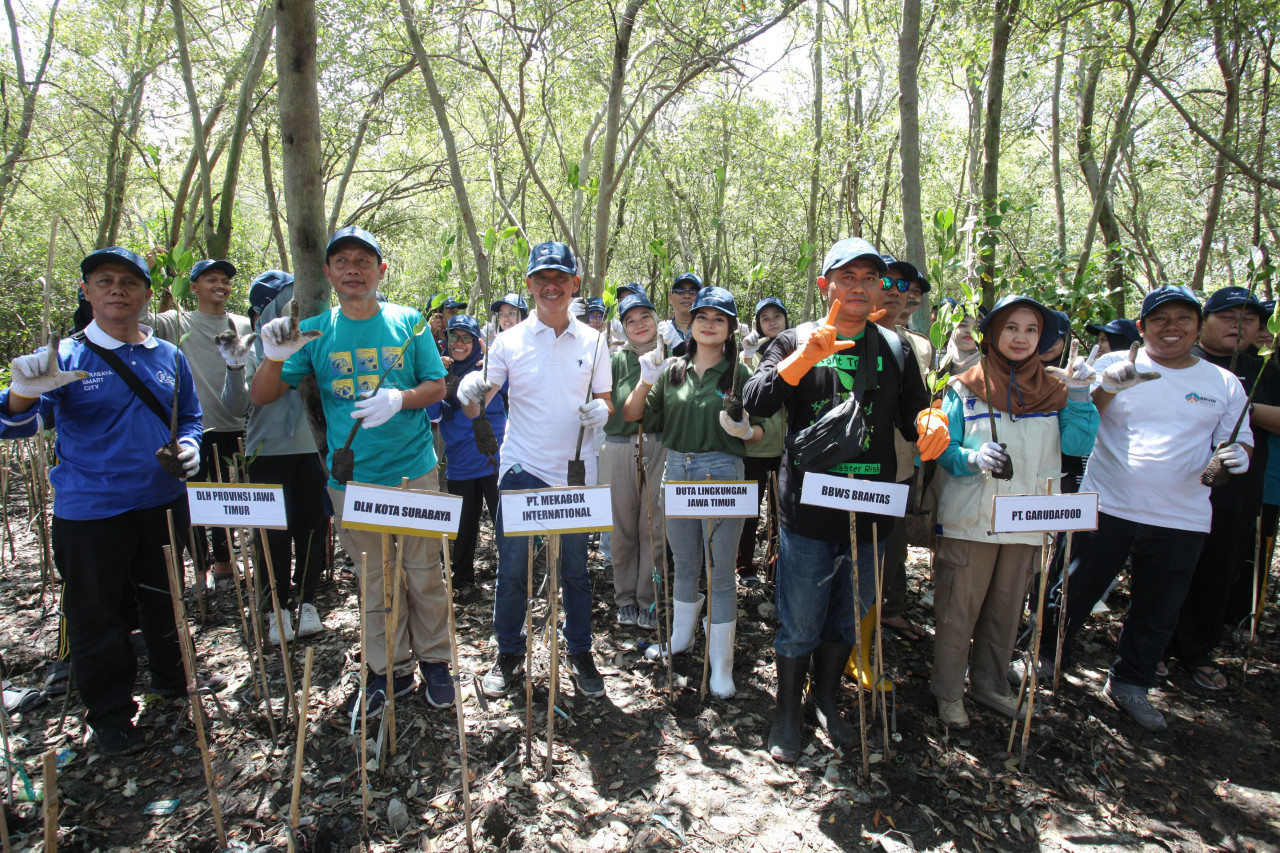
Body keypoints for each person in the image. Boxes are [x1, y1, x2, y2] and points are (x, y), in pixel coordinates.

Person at [742, 237, 944, 763]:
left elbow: (914, 415)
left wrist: (932, 423)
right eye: (846, 276)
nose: (858, 286)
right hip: (809, 509)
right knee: (801, 615)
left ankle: (825, 699)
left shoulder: (896, 348)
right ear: (824, 284)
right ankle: (787, 708)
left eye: (868, 277)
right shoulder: (792, 339)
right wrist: (805, 359)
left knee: (849, 614)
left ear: (880, 287)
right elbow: (756, 402)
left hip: (872, 505)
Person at [1, 247, 206, 754]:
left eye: (129, 282)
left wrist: (191, 446)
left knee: (164, 599)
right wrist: (23, 391)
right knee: (97, 617)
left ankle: (172, 680)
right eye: (105, 280)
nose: (118, 290)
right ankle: (111, 715)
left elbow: (191, 417)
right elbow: (16, 424)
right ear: (87, 292)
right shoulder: (65, 357)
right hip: (91, 512)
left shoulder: (169, 355)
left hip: (160, 503)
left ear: (146, 294)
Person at [250, 225, 455, 713]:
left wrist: (398, 398)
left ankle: (437, 662)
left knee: (423, 572)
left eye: (364, 261)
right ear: (327, 273)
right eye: (342, 262)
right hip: (353, 481)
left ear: (381, 270)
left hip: (415, 473)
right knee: (374, 578)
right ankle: (388, 668)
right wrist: (275, 357)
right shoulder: (316, 331)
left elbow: (437, 386)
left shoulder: (410, 323)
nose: (353, 270)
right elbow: (262, 395)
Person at [1040, 285, 1252, 732]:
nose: (1171, 327)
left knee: (1159, 606)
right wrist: (1110, 388)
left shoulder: (1224, 383)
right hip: (1105, 501)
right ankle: (1044, 657)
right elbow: (1078, 422)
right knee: (1072, 587)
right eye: (1160, 319)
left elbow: (1235, 443)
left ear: (1197, 327)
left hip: (1183, 514)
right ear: (1142, 327)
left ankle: (1132, 682)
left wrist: (1236, 459)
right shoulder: (1112, 365)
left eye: (1183, 319)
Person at [929, 296, 1099, 728]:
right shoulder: (964, 385)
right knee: (957, 612)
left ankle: (990, 686)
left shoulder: (1058, 390)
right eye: (1011, 328)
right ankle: (948, 693)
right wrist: (972, 458)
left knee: (1006, 611)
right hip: (972, 520)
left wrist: (1080, 397)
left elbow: (1078, 447)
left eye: (1031, 330)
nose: (1021, 338)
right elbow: (941, 448)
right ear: (993, 334)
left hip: (1028, 521)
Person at [458, 241, 612, 700]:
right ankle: (508, 653)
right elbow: (475, 411)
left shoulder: (596, 340)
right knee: (512, 571)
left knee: (575, 573)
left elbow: (605, 399)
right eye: (542, 279)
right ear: (528, 285)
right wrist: (469, 392)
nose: (551, 286)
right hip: (522, 471)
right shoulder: (507, 342)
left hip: (576, 474)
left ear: (574, 285)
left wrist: (602, 413)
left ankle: (580, 649)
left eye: (560, 278)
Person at [623, 286, 762, 697]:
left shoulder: (742, 374)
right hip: (677, 470)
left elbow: (764, 433)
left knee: (720, 572)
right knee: (683, 563)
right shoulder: (672, 370)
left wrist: (745, 430)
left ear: (731, 328)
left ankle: (722, 664)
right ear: (692, 322)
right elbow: (635, 416)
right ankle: (681, 639)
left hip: (723, 472)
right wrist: (646, 379)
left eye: (719, 319)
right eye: (702, 316)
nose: (709, 324)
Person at [1165, 287, 1280, 689]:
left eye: (1249, 319)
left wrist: (1238, 404)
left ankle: (1195, 650)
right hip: (1173, 489)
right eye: (1228, 317)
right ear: (1204, 323)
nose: (1239, 325)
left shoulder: (1264, 368)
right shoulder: (1181, 361)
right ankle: (1156, 646)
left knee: (1218, 571)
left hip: (1236, 493)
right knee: (1167, 568)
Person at [218, 270, 329, 643]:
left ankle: (308, 601)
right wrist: (236, 366)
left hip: (312, 451)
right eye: (283, 302)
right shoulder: (252, 348)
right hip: (267, 454)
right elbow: (236, 407)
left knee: (312, 529)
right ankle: (275, 609)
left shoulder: (317, 341)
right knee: (272, 534)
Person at [150, 258, 253, 579]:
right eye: (211, 279)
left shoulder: (242, 325)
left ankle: (224, 560)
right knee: (190, 497)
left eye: (224, 280)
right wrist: (149, 271)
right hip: (191, 430)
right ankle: (201, 564)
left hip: (234, 426)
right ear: (193, 287)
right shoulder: (174, 322)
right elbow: (136, 321)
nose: (220, 285)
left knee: (225, 497)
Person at [877, 256, 935, 642]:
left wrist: (931, 422)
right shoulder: (832, 336)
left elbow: (919, 403)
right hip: (839, 471)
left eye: (905, 288)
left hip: (898, 462)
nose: (897, 293)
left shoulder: (916, 345)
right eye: (887, 282)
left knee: (891, 543)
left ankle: (888, 612)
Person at [602, 293, 667, 630]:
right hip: (619, 446)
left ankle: (648, 598)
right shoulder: (615, 361)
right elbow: (602, 401)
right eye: (631, 320)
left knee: (653, 527)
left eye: (645, 317)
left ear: (657, 320)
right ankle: (625, 597)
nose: (640, 325)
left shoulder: (672, 355)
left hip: (660, 447)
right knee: (622, 527)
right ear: (623, 328)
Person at [436, 314, 506, 593]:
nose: (460, 343)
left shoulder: (493, 369)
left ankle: (511, 576)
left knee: (505, 525)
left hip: (496, 462)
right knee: (463, 529)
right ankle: (462, 578)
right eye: (454, 337)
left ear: (477, 342)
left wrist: (495, 365)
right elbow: (431, 413)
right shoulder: (439, 371)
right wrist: (439, 378)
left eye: (467, 338)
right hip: (461, 464)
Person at [735, 297, 789, 586]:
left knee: (781, 513)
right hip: (753, 446)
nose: (772, 322)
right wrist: (746, 356)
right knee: (748, 510)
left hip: (787, 448)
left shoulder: (798, 351)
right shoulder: (750, 354)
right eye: (765, 318)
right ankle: (744, 566)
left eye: (777, 316)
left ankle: (776, 566)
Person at [657, 272, 701, 357]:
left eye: (693, 291)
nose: (687, 295)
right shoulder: (661, 330)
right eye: (680, 291)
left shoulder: (709, 330)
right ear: (670, 298)